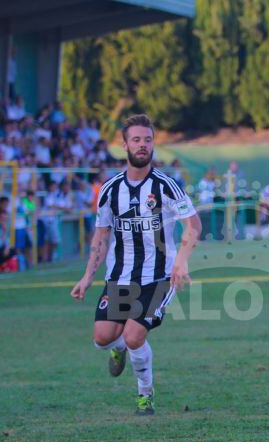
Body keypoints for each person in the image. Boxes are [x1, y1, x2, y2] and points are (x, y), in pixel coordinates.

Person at [70, 114, 201, 416]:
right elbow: (101, 235)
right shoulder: (110, 189)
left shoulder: (167, 186)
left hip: (158, 277)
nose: (143, 145)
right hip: (120, 276)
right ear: (125, 145)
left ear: (153, 144)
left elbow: (193, 225)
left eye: (148, 140)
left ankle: (145, 394)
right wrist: (87, 277)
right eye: (136, 140)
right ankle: (118, 349)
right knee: (102, 338)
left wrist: (180, 262)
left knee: (133, 335)